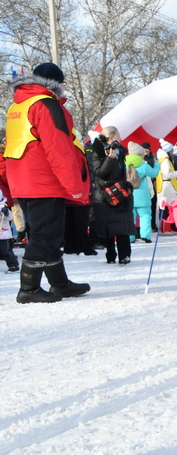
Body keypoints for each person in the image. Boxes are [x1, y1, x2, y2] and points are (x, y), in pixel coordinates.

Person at [4, 62, 91, 303]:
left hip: (23, 181)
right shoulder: (46, 105)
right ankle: (29, 288)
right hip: (44, 181)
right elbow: (59, 149)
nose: (63, 86)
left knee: (50, 235)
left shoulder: (18, 105)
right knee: (45, 236)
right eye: (61, 82)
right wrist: (74, 185)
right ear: (54, 82)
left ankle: (60, 284)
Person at [90, 126, 135, 265]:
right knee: (108, 227)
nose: (120, 138)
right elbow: (100, 173)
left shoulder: (120, 152)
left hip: (120, 193)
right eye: (118, 135)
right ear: (111, 137)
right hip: (106, 195)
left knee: (123, 227)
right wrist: (109, 158)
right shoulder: (98, 151)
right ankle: (110, 255)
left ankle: (124, 255)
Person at [125, 141, 160, 243]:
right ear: (139, 154)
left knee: (130, 216)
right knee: (145, 215)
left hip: (129, 194)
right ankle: (145, 235)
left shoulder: (125, 164)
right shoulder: (143, 165)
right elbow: (154, 174)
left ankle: (130, 237)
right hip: (143, 195)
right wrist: (157, 164)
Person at [0, 198, 19, 273]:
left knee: (6, 251)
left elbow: (10, 217)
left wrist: (7, 212)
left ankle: (13, 265)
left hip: (3, 235)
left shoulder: (3, 206)